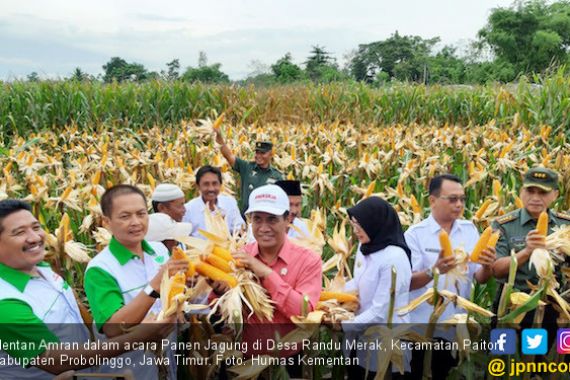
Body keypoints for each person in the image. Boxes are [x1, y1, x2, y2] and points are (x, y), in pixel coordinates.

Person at [0, 199, 174, 379]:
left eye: (36, 227)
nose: (34, 237)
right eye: (19, 232)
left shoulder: (41, 267)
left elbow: (75, 312)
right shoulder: (5, 302)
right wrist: (139, 336)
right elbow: (56, 360)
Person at [209, 185, 322, 377]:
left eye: (272, 219)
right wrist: (220, 293)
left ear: (287, 220)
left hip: (286, 362)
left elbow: (304, 312)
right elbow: (218, 312)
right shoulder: (239, 256)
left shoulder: (308, 260)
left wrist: (267, 274)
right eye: (257, 219)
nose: (263, 228)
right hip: (242, 360)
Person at [84, 185, 189, 380]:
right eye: (125, 216)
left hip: (166, 363)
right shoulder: (100, 269)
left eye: (141, 214)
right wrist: (155, 285)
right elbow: (113, 328)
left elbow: (172, 295)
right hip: (130, 370)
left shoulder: (159, 250)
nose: (136, 222)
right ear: (107, 222)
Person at [404, 174, 495, 379]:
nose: (459, 204)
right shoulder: (415, 234)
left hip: (455, 327)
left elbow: (479, 277)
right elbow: (406, 282)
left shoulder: (470, 230)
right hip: (421, 329)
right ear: (432, 201)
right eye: (452, 199)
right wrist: (433, 271)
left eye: (462, 199)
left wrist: (488, 266)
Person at [334, 196, 413, 380]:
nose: (355, 231)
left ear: (375, 224)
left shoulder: (394, 258)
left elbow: (380, 312)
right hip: (360, 336)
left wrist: (343, 325)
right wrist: (331, 297)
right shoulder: (366, 246)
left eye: (359, 225)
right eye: (353, 225)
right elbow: (359, 282)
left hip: (384, 345)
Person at [492, 167, 570, 337]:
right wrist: (527, 251)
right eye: (530, 191)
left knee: (552, 361)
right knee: (503, 361)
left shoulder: (565, 226)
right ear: (521, 191)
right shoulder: (503, 225)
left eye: (543, 192)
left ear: (555, 195)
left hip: (556, 309)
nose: (535, 198)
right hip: (511, 306)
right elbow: (496, 269)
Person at [214, 124, 283, 213]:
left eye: (262, 153)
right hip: (246, 217)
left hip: (265, 219)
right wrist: (219, 137)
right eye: (257, 152)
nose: (258, 156)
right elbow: (229, 155)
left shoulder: (277, 175)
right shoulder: (247, 167)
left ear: (271, 154)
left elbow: (281, 200)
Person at [183, 165, 244, 238]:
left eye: (215, 183)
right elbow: (184, 238)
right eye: (206, 184)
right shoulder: (188, 210)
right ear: (198, 186)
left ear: (221, 185)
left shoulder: (230, 203)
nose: (211, 189)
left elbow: (239, 229)